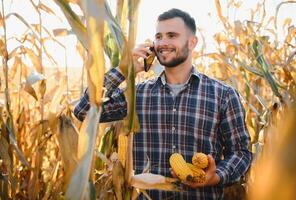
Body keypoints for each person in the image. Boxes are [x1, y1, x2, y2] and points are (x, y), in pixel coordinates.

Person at [74, 8, 252, 199]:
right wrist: (124, 69)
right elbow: (84, 111)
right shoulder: (137, 95)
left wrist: (215, 177)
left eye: (172, 35)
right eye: (158, 36)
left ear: (192, 42)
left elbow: (241, 153)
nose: (163, 43)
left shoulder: (223, 95)